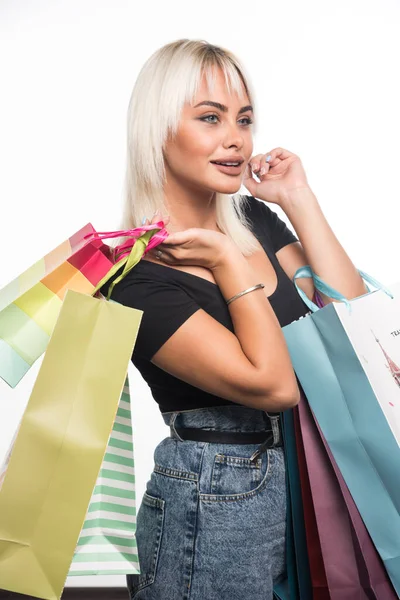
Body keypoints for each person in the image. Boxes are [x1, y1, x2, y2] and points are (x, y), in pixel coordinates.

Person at [101, 38, 368, 600]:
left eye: (243, 119)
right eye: (210, 117)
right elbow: (272, 386)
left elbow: (355, 323)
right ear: (156, 132)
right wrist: (226, 262)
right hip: (214, 492)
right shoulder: (135, 280)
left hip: (311, 474)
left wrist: (296, 197)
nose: (235, 138)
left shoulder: (251, 219)